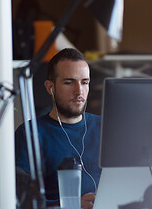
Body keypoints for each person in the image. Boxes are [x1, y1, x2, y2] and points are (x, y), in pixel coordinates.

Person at [15, 48, 101, 209]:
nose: (79, 91)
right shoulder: (31, 133)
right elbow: (20, 198)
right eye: (69, 82)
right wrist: (70, 204)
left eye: (84, 82)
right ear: (50, 88)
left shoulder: (106, 128)